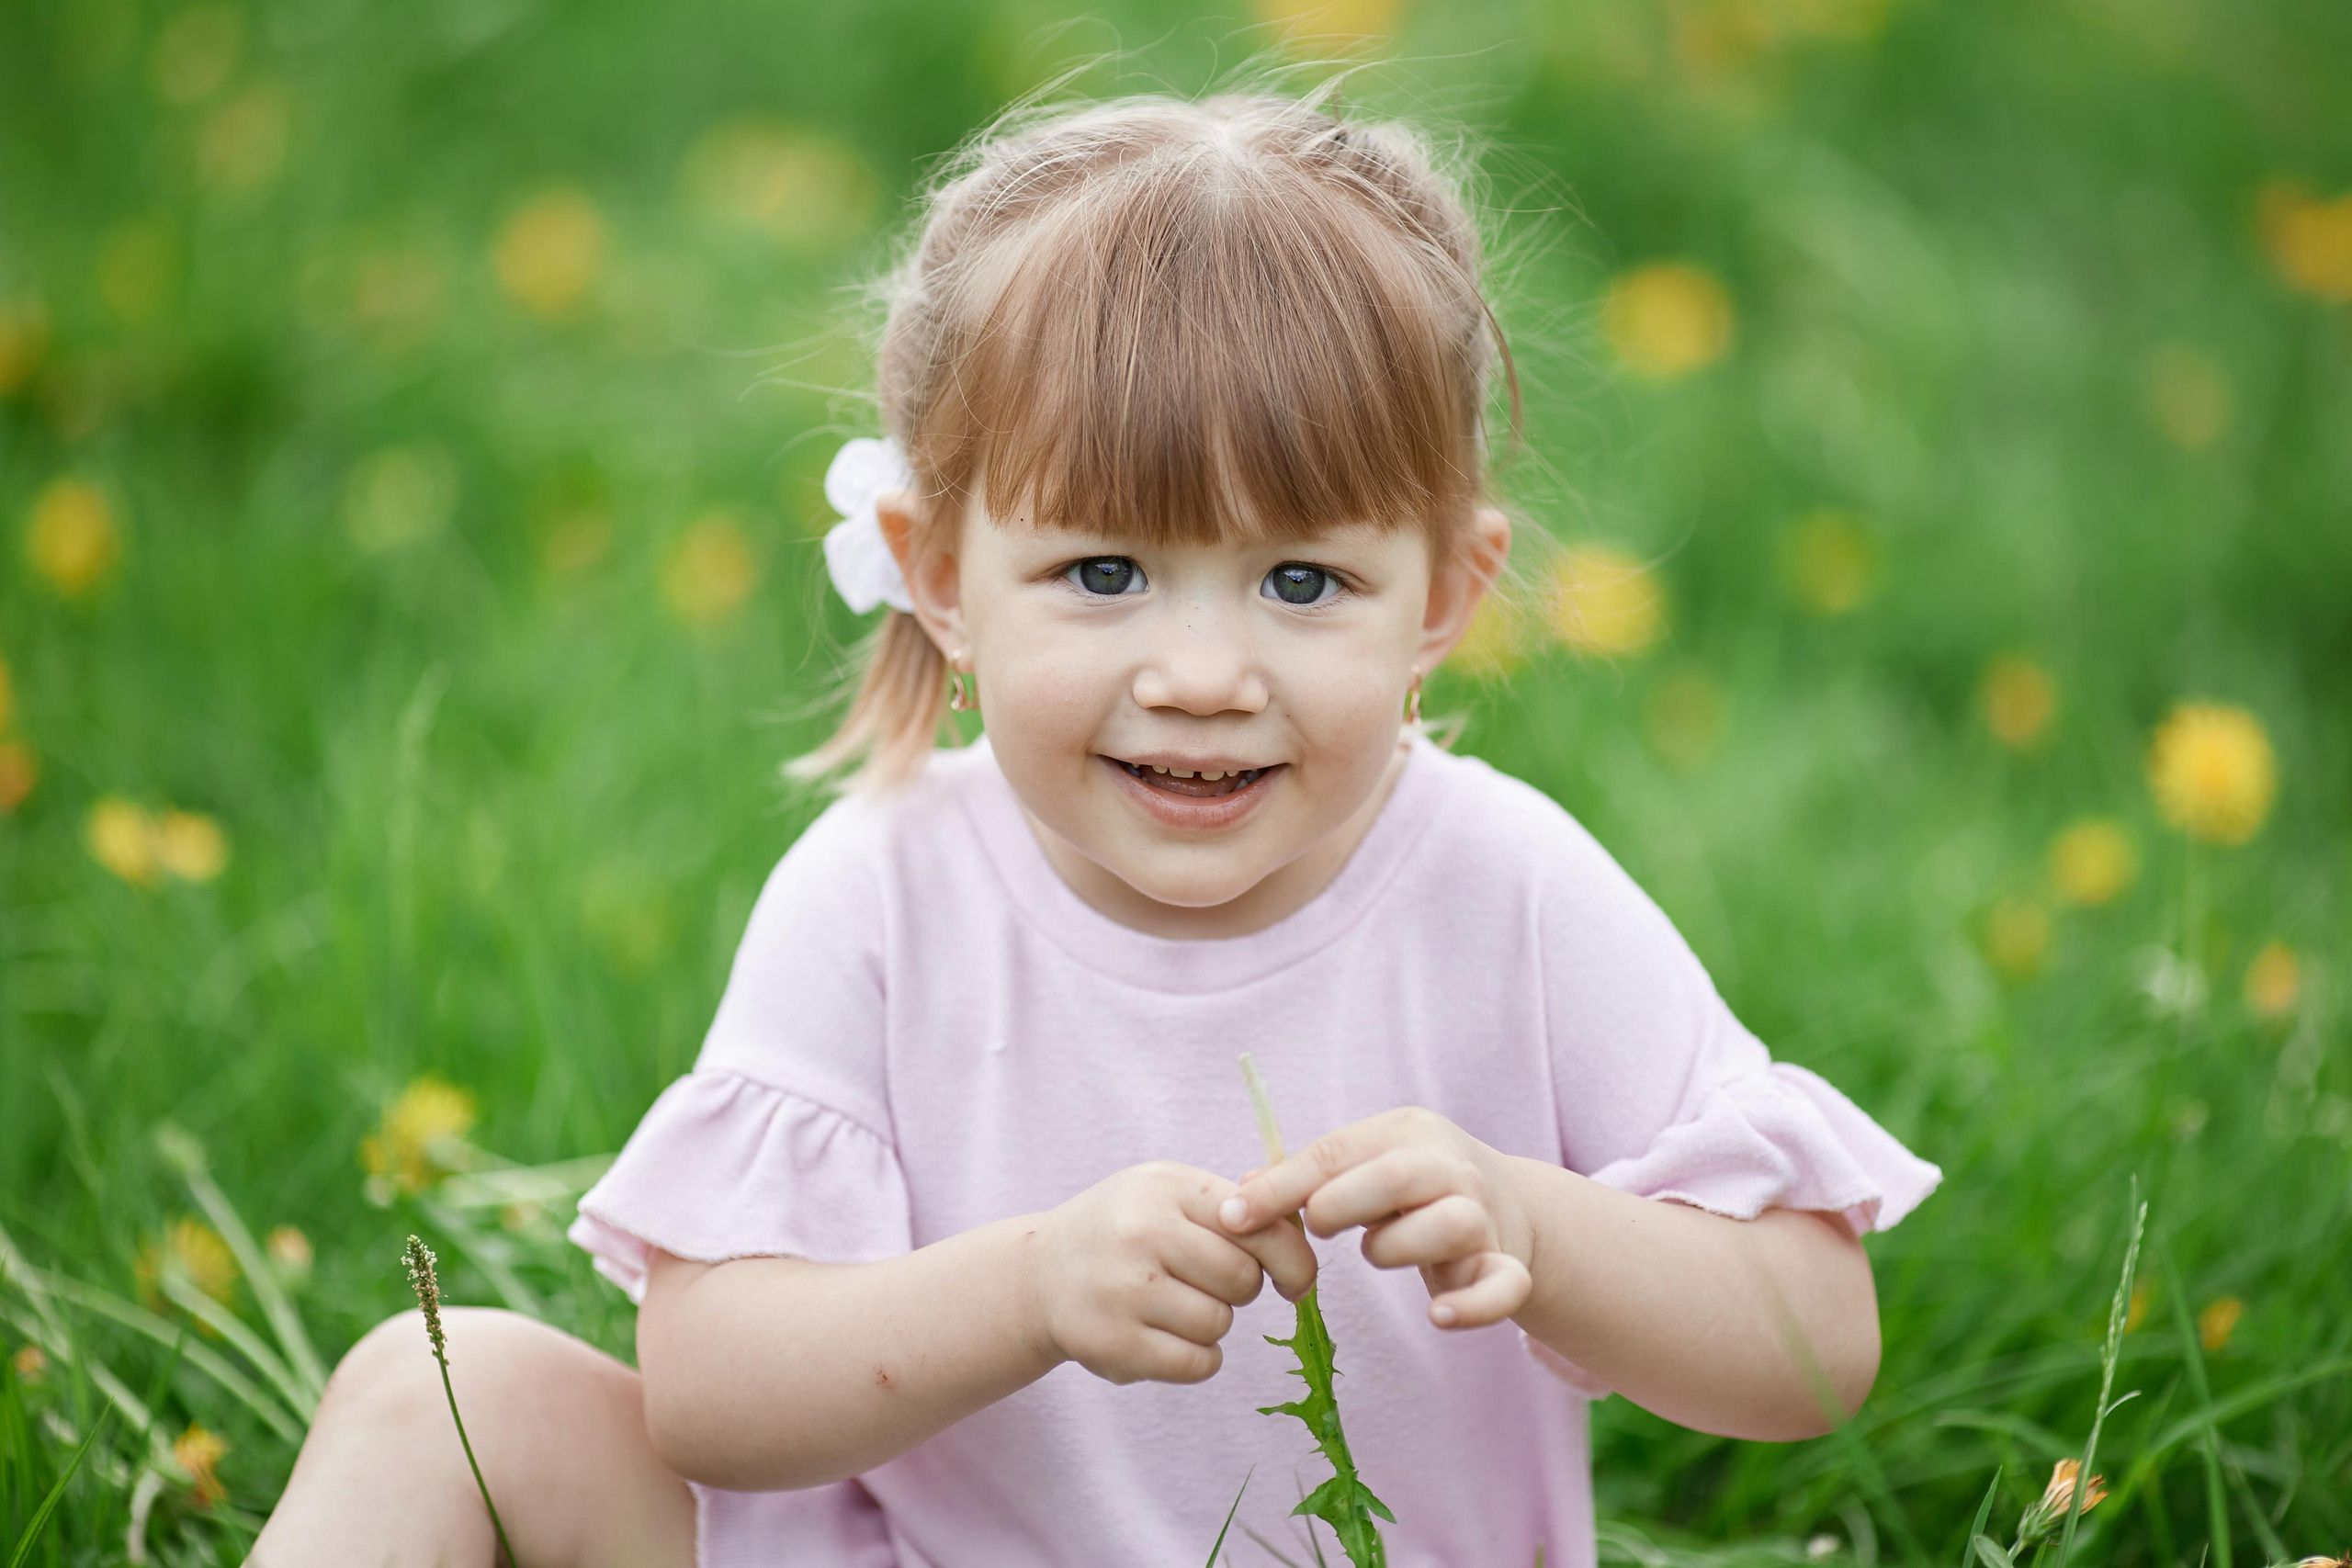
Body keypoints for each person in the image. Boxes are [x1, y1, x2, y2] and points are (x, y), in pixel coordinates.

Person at [254, 84, 1939, 1568]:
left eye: (1303, 582)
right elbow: (706, 1390)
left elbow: (1812, 1350)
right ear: (937, 577)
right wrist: (1032, 1288)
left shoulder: (1506, 891)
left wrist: (1542, 1223)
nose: (1201, 674)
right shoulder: (888, 885)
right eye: (1104, 574)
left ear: (1445, 595)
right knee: (435, 1387)